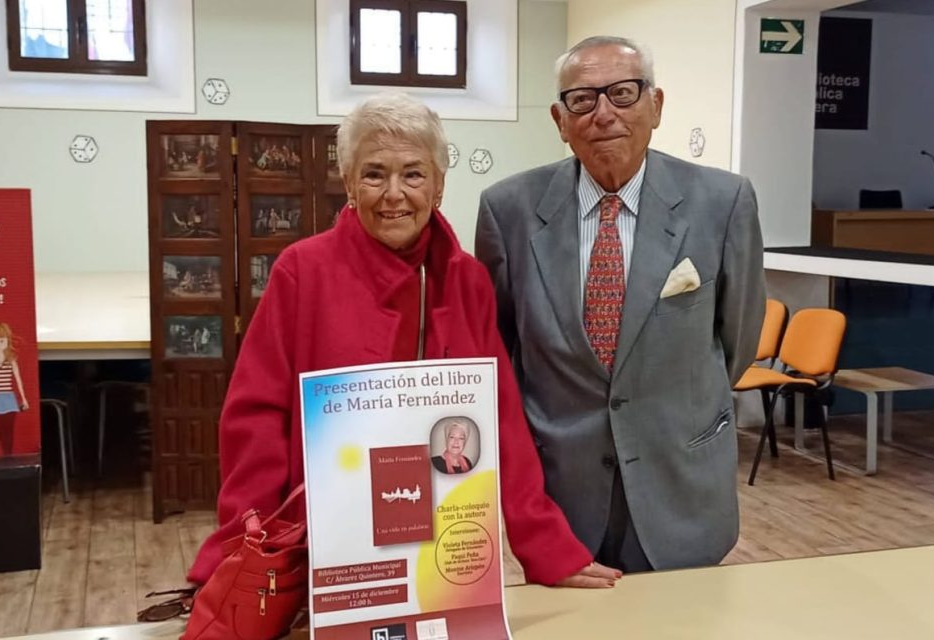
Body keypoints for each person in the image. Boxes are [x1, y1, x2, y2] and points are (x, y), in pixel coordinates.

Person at [189, 92, 620, 589]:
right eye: (374, 174)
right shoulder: (301, 272)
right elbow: (256, 418)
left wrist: (544, 544)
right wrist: (248, 547)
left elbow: (498, 417)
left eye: (413, 174)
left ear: (438, 185)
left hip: (445, 539)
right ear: (349, 183)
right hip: (324, 543)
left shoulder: (468, 280)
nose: (394, 193)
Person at [475, 36, 765, 573]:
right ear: (561, 120)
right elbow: (502, 344)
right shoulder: (507, 210)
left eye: (623, 93)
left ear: (655, 105)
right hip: (563, 489)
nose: (603, 113)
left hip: (682, 480)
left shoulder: (723, 202)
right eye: (583, 100)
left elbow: (738, 338)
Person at [0, 322, 30, 456]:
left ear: (7, 341)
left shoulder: (11, 360)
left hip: (9, 397)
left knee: (9, 428)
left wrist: (24, 399)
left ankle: (8, 454)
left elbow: (18, 380)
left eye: (1, 340)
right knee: (0, 429)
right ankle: (5, 454)